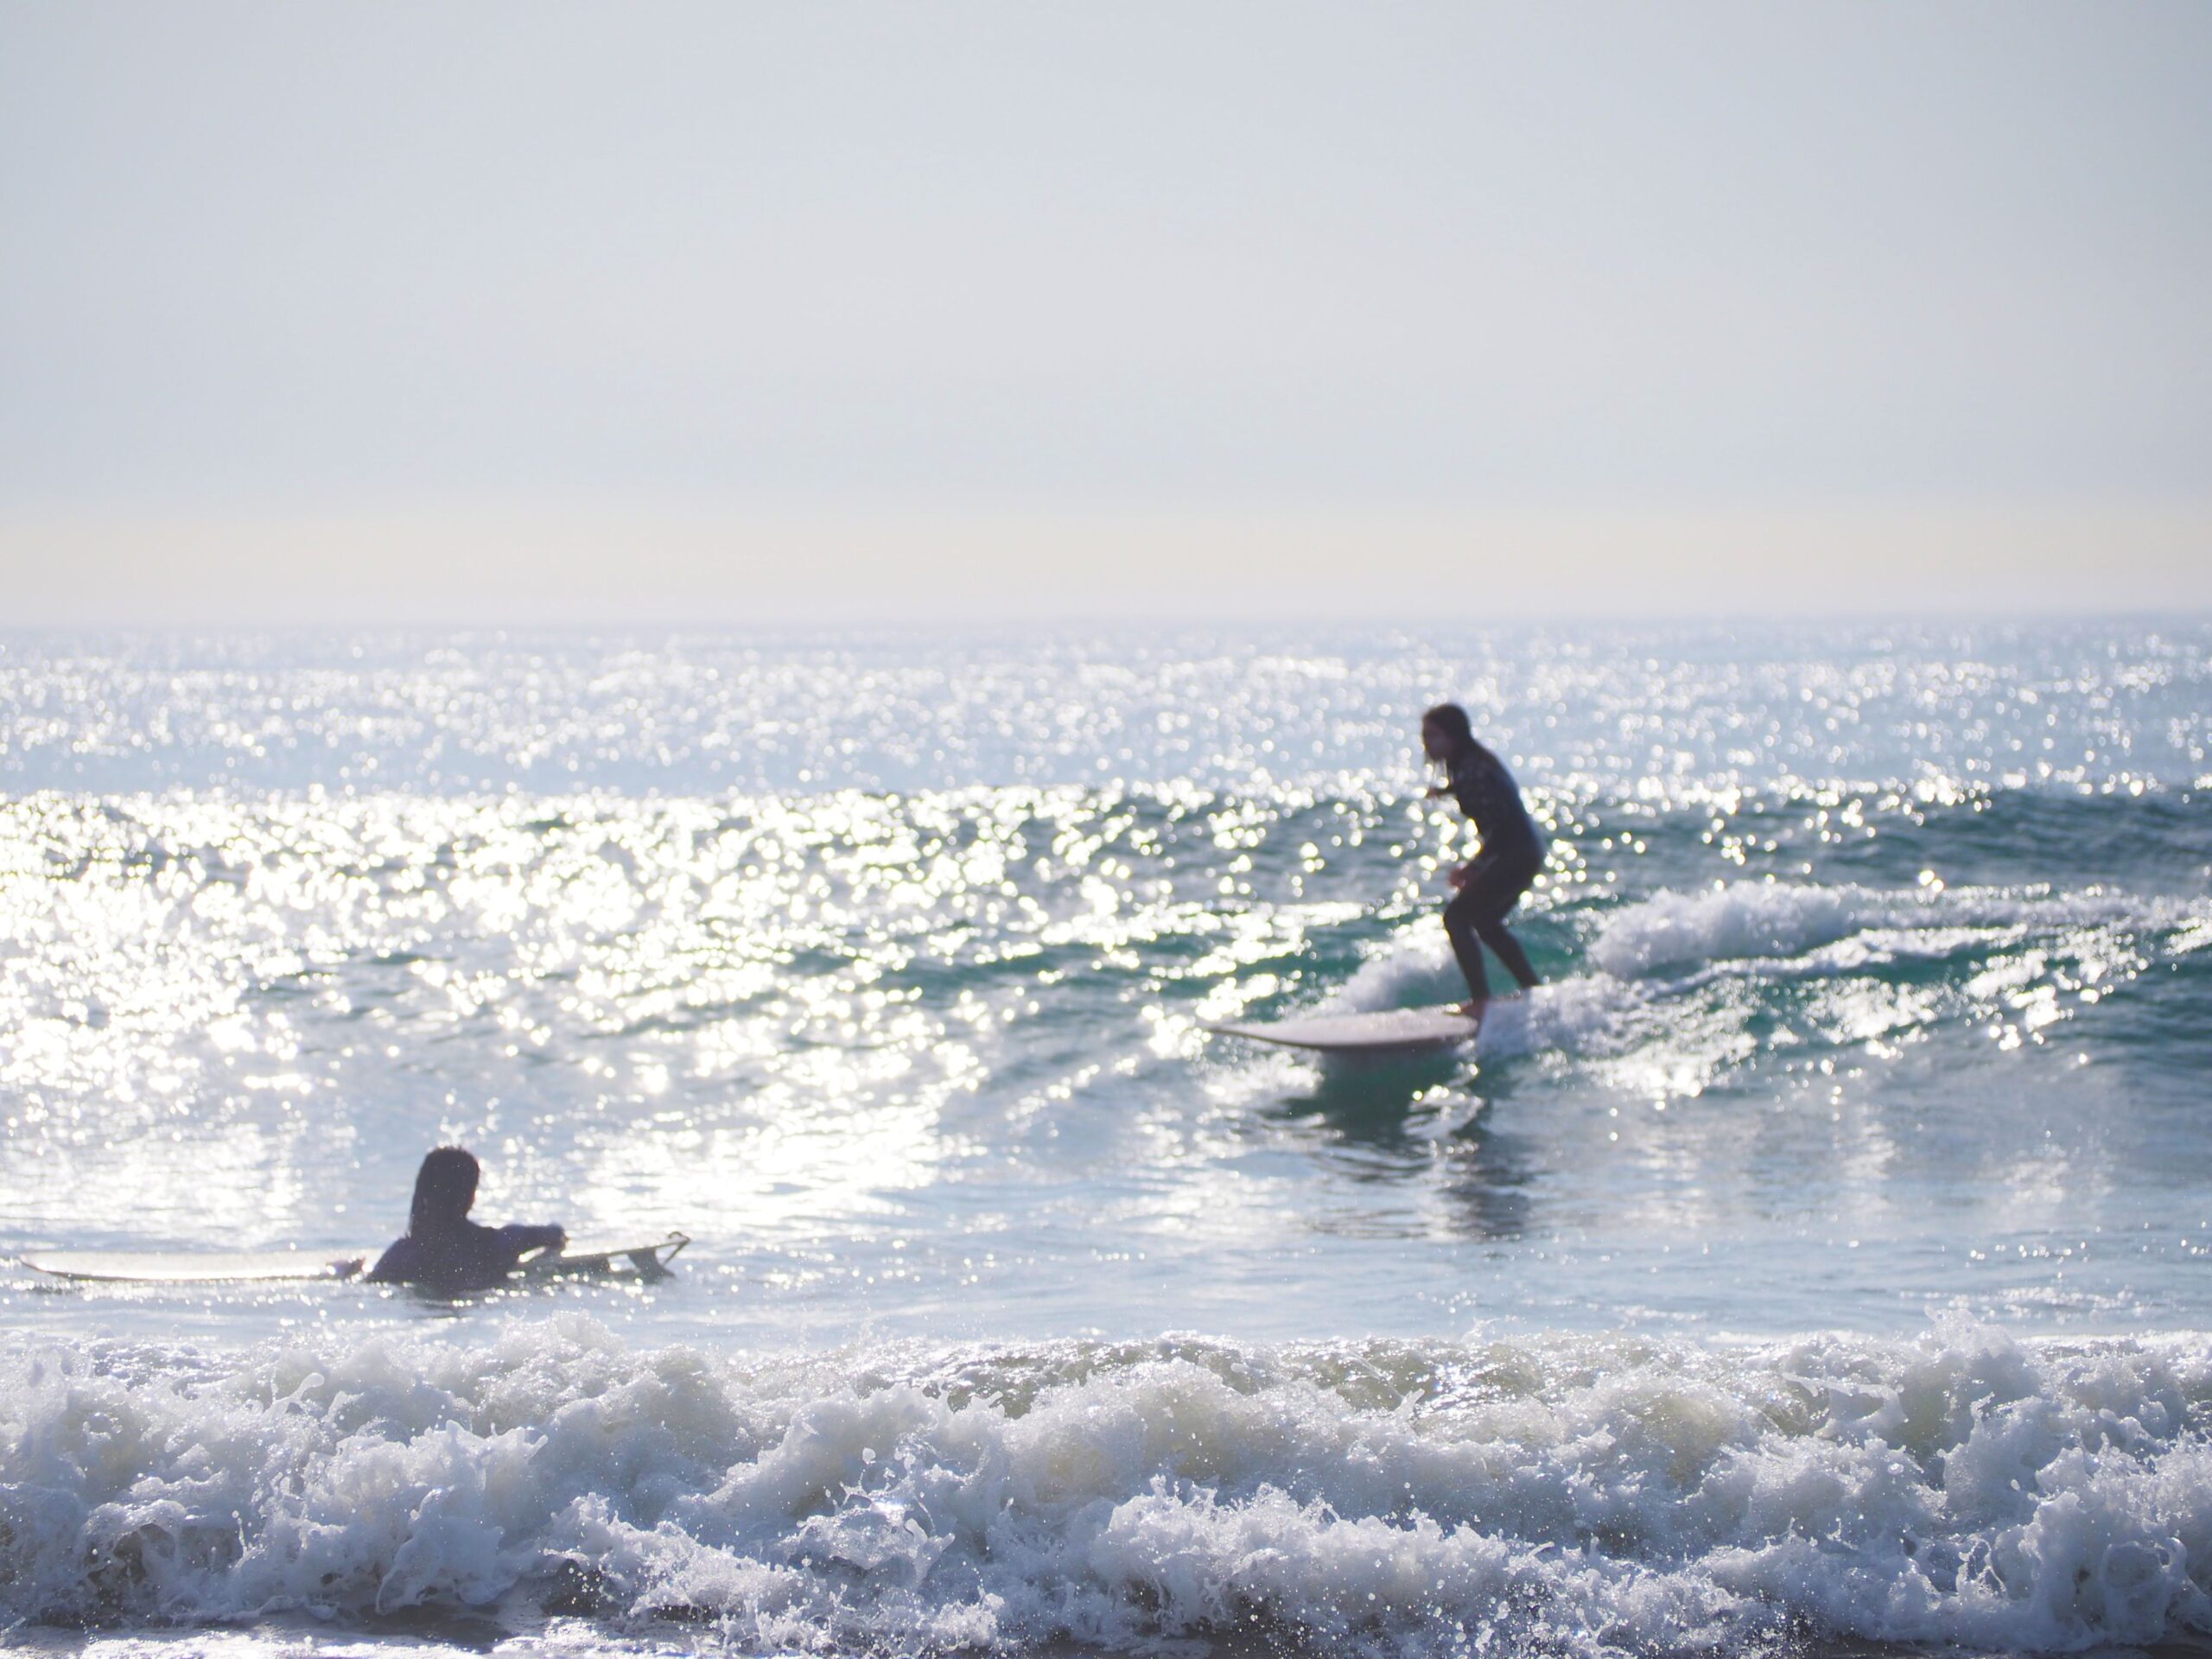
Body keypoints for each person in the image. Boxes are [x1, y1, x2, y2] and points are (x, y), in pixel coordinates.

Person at [1421, 702, 1545, 1017]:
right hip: (1525, 850)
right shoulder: (1468, 764)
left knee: (1456, 918)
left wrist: (1475, 866)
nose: (1427, 744)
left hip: (1516, 852)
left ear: (1454, 736)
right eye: (1425, 737)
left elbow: (1503, 826)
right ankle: (1534, 991)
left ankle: (1481, 1002)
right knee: (1486, 922)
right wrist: (1447, 791)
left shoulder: (1474, 769)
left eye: (1434, 736)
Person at [367, 1146, 566, 1293]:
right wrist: (558, 1233)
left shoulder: (402, 1256)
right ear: (470, 1196)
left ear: (422, 1194)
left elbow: (371, 1287)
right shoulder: (496, 1244)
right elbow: (553, 1234)